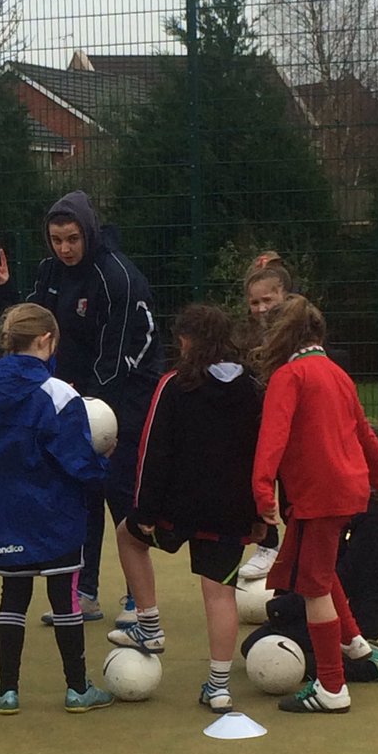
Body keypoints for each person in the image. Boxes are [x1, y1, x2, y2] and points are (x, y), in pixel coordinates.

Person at [0, 190, 162, 626]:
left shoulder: (116, 277)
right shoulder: (50, 272)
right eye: (56, 239)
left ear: (88, 232)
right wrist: (5, 294)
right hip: (78, 395)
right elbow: (30, 329)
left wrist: (90, 407)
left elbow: (117, 353)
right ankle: (84, 592)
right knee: (81, 492)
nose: (64, 248)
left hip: (125, 396)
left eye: (72, 239)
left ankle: (135, 599)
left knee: (119, 492)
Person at [251, 295, 378, 714]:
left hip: (317, 495)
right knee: (316, 570)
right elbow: (365, 436)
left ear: (281, 335)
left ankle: (331, 687)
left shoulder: (290, 376)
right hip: (346, 490)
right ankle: (354, 643)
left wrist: (263, 491)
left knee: (312, 586)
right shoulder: (337, 374)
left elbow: (272, 438)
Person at [107, 304, 264, 712]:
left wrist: (144, 510)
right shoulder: (253, 388)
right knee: (220, 594)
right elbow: (264, 454)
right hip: (232, 511)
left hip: (177, 510)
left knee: (127, 535)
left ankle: (149, 626)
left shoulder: (175, 385)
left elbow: (153, 451)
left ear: (187, 341)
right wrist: (263, 513)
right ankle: (219, 687)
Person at [0, 303, 115, 714]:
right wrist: (103, 464)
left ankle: (7, 691)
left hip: (4, 509)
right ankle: (77, 689)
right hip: (56, 511)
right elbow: (75, 458)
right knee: (64, 597)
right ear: (46, 340)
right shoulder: (60, 394)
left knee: (12, 595)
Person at [242, 422, 378, 682]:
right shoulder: (356, 503)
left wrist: (287, 606)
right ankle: (353, 658)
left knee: (272, 653)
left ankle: (372, 665)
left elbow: (349, 577)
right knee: (255, 645)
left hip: (355, 618)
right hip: (326, 604)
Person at [236, 253, 294, 582]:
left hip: (294, 423)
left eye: (267, 300)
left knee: (294, 493)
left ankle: (296, 547)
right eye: (254, 302)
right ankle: (268, 544)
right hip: (262, 420)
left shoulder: (302, 327)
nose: (260, 308)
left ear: (285, 295)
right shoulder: (248, 335)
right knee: (258, 478)